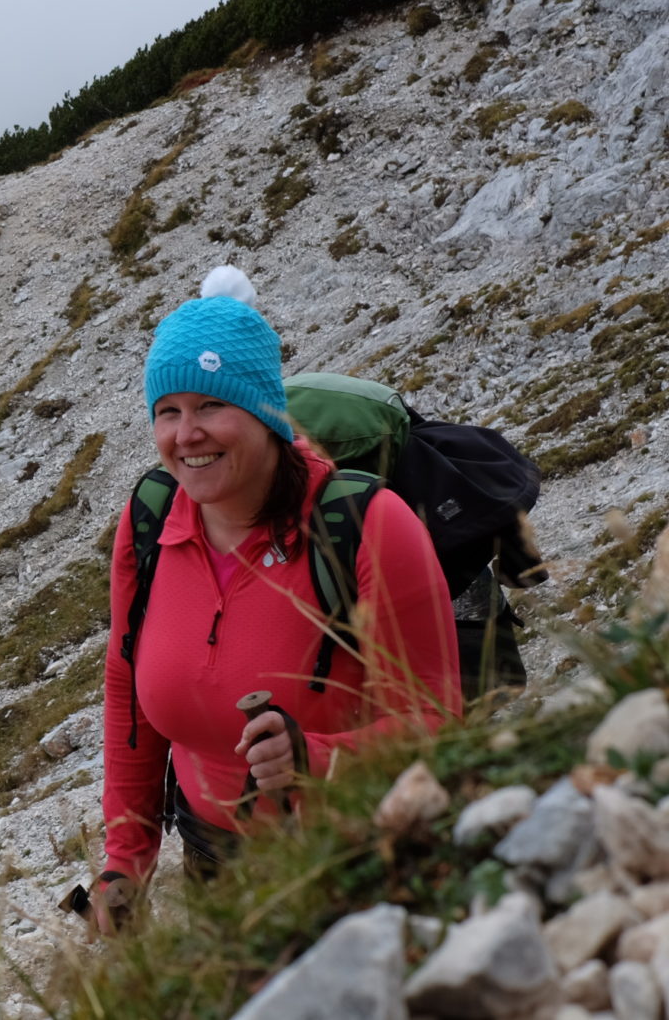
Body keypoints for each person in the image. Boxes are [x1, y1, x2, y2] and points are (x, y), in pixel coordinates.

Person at [88, 276, 462, 929]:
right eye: (167, 410)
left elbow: (439, 723)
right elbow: (126, 687)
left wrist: (314, 758)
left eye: (211, 405)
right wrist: (126, 859)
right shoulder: (149, 521)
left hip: (358, 858)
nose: (187, 433)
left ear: (264, 410)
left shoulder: (368, 524)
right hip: (214, 863)